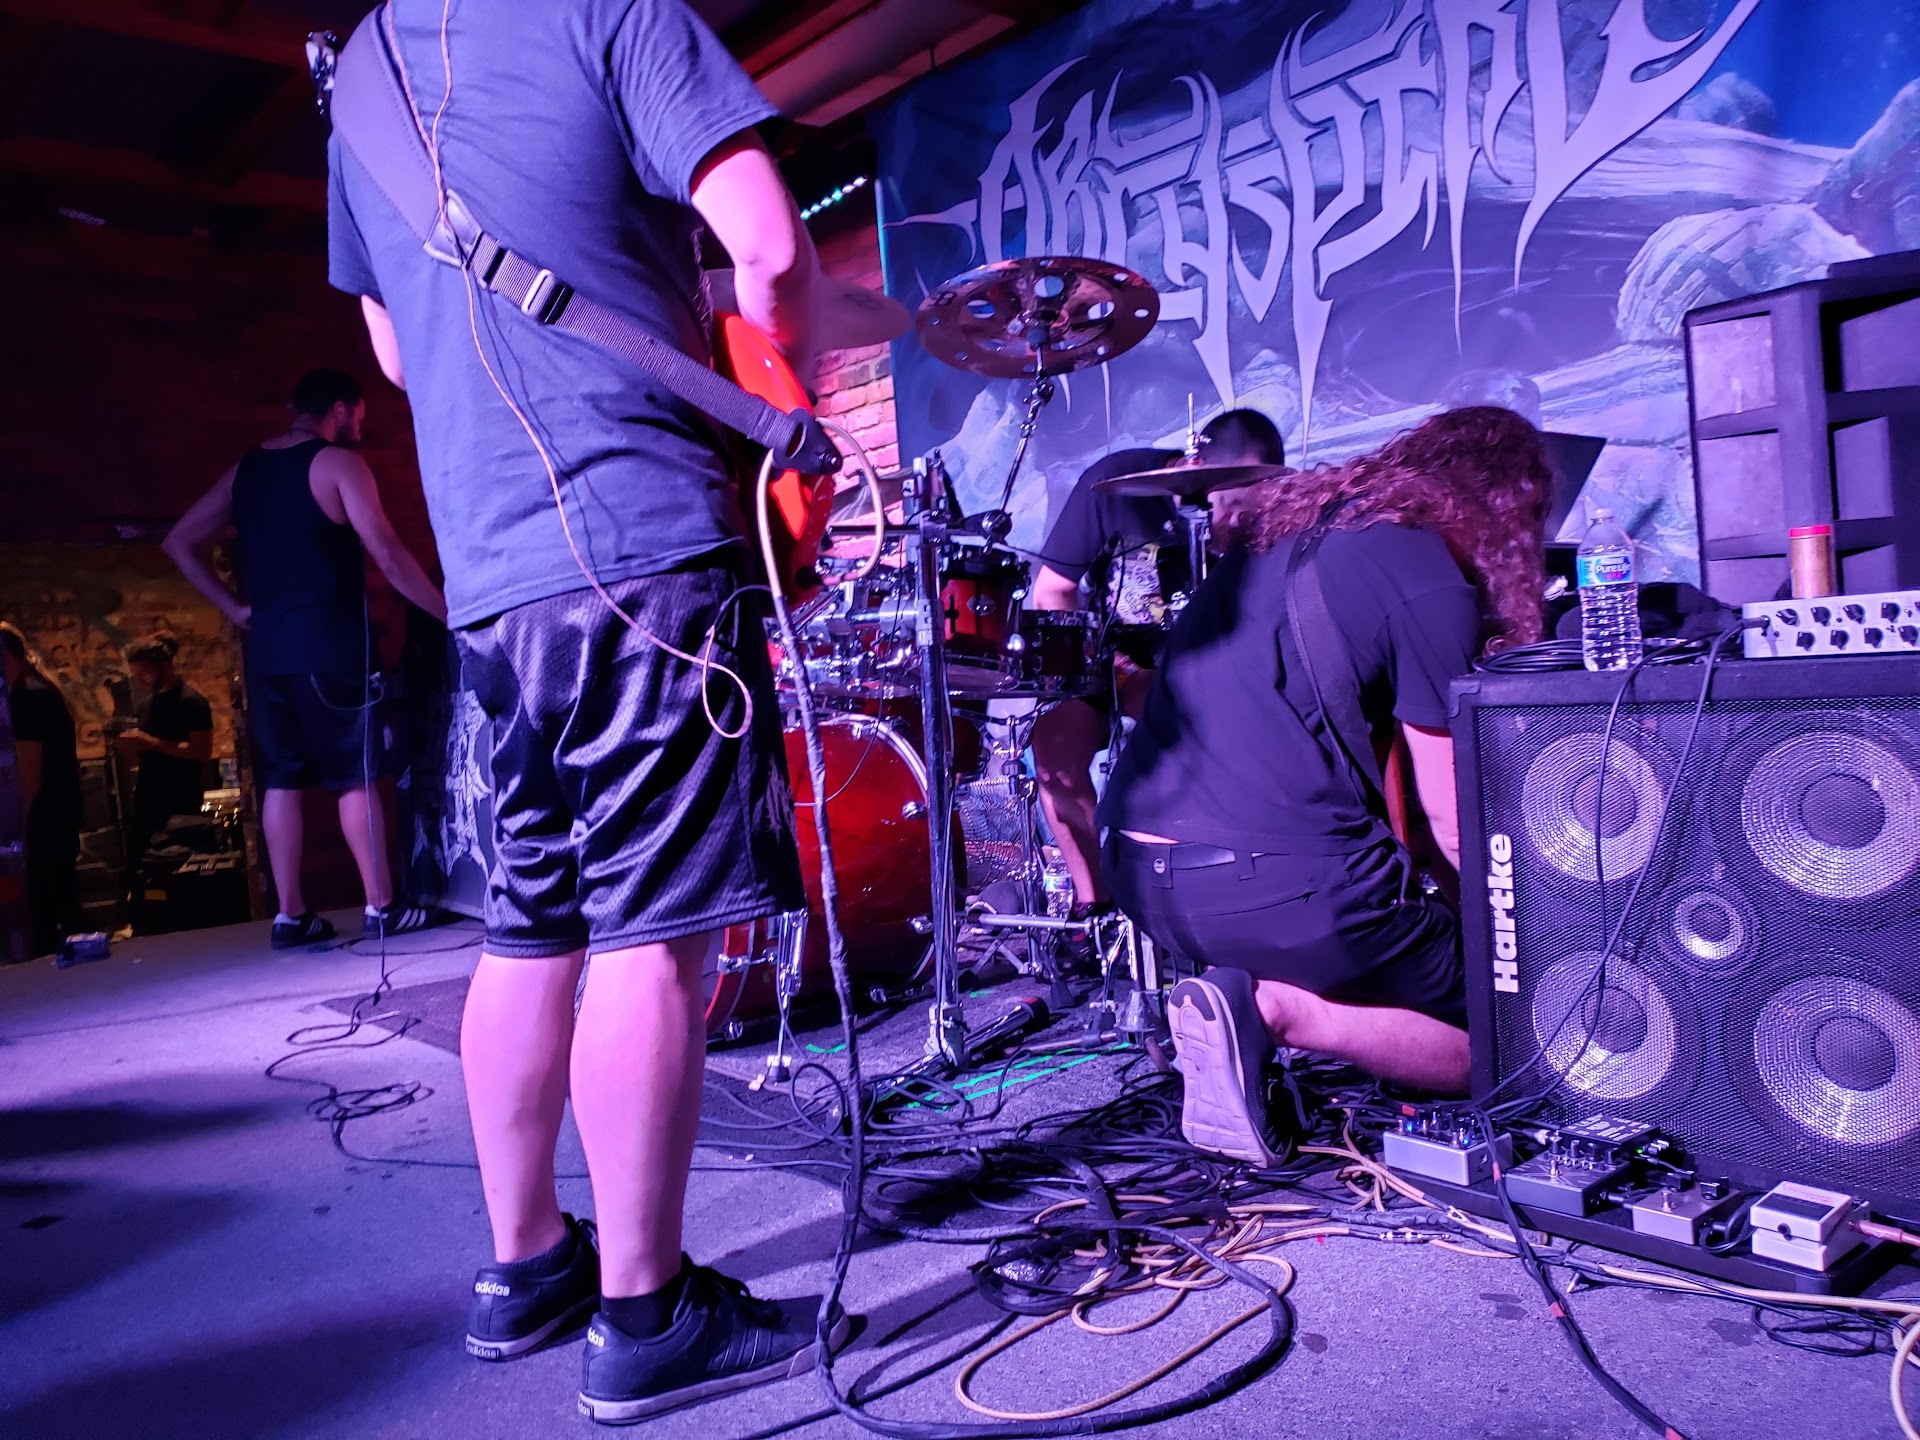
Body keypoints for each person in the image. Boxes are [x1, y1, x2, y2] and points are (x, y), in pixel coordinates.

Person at [325, 0, 838, 1423]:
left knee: (530, 923)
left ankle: (526, 1267)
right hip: (639, 543)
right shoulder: (609, 6)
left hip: (492, 583)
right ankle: (646, 1313)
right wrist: (776, 387)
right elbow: (770, 246)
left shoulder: (360, 73)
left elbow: (396, 357)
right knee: (653, 933)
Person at [1099, 406, 1552, 1163]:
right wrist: (1532, 941)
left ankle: (1236, 1004)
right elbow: (1453, 823)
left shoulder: (1284, 531)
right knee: (1522, 1036)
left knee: (1392, 940)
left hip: (1141, 877)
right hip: (1274, 891)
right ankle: (1274, 1011)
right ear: (1503, 509)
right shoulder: (1427, 576)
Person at [164, 368, 448, 949]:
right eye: (359, 417)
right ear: (340, 409)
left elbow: (179, 540)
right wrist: (450, 614)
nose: (360, 429)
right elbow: (388, 554)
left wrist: (234, 608)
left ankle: (290, 916)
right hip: (331, 649)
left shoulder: (247, 468)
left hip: (268, 654)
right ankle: (383, 907)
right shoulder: (339, 464)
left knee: (282, 781)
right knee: (354, 777)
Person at [1028, 409, 1286, 915]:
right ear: (1198, 470)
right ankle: (1094, 905)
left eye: (1250, 511)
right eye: (1232, 506)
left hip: (1212, 669)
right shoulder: (1115, 485)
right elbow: (1052, 592)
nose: (1237, 523)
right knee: (1054, 758)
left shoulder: (1272, 518)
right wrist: (1116, 671)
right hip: (1114, 664)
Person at [1, 623, 81, 959]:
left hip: (43, 820)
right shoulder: (38, 689)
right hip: (57, 815)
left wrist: (17, 828)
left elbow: (29, 775)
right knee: (61, 903)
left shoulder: (27, 698)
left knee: (45, 911)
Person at [115, 632, 215, 864]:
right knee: (140, 864)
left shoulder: (191, 701)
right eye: (136, 675)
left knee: (176, 865)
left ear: (164, 666)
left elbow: (201, 752)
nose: (140, 681)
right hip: (147, 798)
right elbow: (143, 757)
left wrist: (152, 742)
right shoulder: (147, 705)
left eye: (144, 673)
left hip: (180, 800)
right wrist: (129, 745)